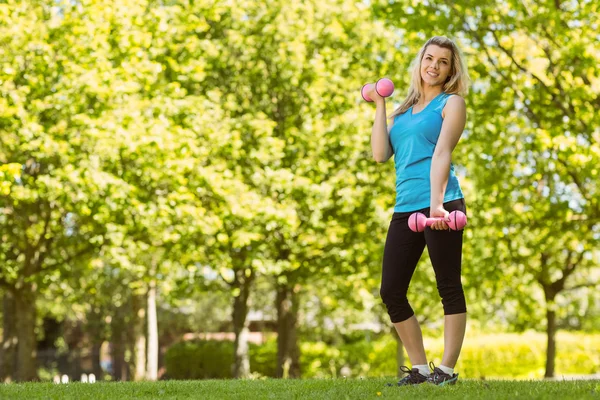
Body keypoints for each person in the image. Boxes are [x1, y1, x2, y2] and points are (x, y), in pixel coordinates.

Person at [367, 36, 470, 386]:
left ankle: (446, 370)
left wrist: (439, 205)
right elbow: (380, 154)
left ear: (451, 69)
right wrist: (381, 104)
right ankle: (420, 369)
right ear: (420, 62)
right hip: (405, 207)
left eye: (443, 61)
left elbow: (442, 153)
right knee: (391, 290)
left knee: (448, 285)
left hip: (441, 204)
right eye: (430, 58)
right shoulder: (402, 113)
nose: (434, 66)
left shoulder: (451, 103)